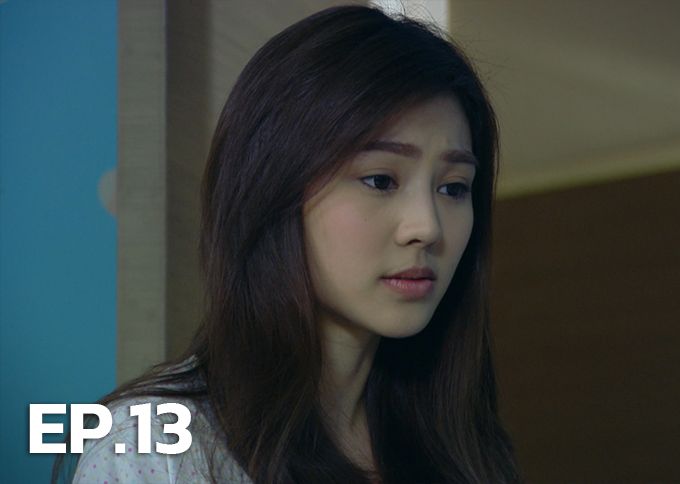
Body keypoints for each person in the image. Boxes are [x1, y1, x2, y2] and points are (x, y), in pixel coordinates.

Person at [54, 5, 521, 483]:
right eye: (381, 180)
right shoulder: (157, 450)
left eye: (453, 188)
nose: (427, 227)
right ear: (272, 188)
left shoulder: (464, 448)